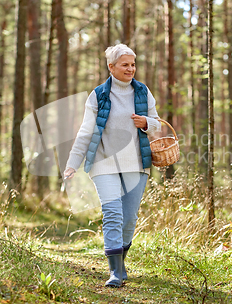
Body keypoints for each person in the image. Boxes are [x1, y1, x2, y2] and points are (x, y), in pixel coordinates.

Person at [63, 44, 161, 287]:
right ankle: (115, 272)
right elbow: (86, 132)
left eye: (133, 64)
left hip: (137, 164)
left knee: (129, 218)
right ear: (111, 67)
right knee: (113, 213)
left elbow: (158, 124)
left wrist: (146, 122)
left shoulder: (143, 92)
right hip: (103, 162)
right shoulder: (98, 95)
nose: (131, 69)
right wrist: (72, 163)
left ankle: (121, 260)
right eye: (125, 65)